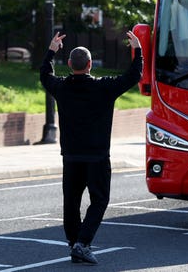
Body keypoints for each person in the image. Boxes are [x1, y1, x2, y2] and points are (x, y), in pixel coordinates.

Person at [40, 30, 142, 265]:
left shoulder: (62, 88)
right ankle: (82, 243)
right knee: (100, 199)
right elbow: (133, 75)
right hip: (97, 156)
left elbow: (45, 75)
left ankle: (74, 242)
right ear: (89, 65)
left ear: (69, 64)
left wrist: (50, 51)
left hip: (71, 155)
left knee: (71, 200)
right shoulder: (103, 88)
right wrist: (137, 49)